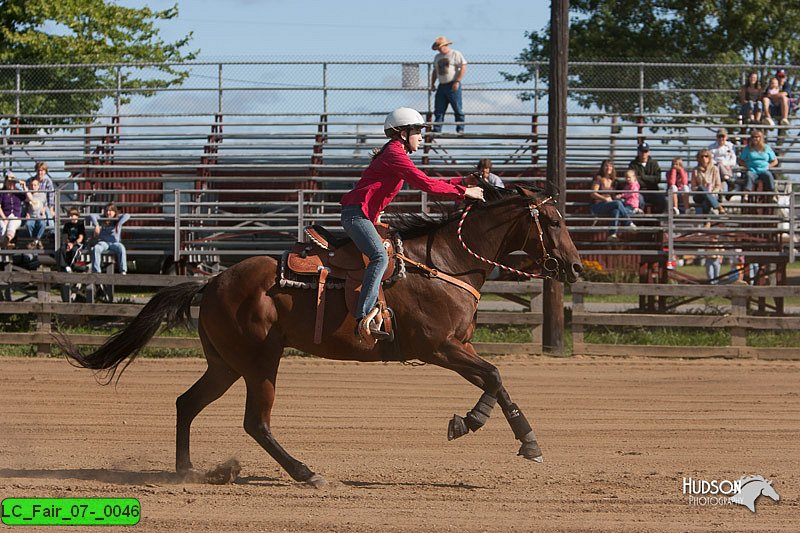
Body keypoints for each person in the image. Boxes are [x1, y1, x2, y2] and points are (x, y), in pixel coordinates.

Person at [339, 107, 484, 342]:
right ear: (403, 133)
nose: (421, 137)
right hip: (356, 216)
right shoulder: (395, 155)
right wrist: (465, 191)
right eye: (417, 131)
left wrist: (461, 182)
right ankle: (363, 317)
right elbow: (425, 184)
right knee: (380, 257)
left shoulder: (395, 154)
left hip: (362, 216)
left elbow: (427, 181)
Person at [589, 159, 635, 241]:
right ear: (602, 167)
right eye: (606, 166)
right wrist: (604, 198)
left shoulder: (614, 181)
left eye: (610, 166)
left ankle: (612, 234)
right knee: (617, 204)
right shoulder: (599, 178)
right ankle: (628, 223)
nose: (608, 168)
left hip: (608, 206)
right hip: (598, 206)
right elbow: (593, 193)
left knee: (616, 210)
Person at [430, 36, 467, 134]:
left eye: (441, 47)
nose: (439, 49)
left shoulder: (455, 54)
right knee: (439, 109)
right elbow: (435, 71)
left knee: (457, 107)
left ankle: (460, 128)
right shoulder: (437, 57)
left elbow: (463, 66)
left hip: (452, 84)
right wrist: (432, 83)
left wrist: (457, 81)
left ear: (446, 45)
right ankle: (437, 129)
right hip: (442, 85)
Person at [90, 202, 130, 274]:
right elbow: (92, 215)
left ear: (115, 212)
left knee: (121, 248)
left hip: (115, 243)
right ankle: (96, 272)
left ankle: (123, 271)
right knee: (96, 248)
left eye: (110, 211)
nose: (108, 213)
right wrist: (96, 225)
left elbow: (127, 215)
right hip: (103, 242)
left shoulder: (117, 218)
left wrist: (118, 224)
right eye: (107, 210)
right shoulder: (102, 218)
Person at [628, 142, 666, 213]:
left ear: (648, 152)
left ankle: (656, 221)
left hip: (653, 190)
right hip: (639, 191)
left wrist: (643, 177)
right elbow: (634, 180)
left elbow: (657, 178)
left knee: (662, 200)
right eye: (642, 151)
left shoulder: (654, 163)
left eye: (645, 151)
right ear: (638, 152)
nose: (644, 154)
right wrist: (650, 180)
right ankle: (639, 221)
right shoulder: (633, 164)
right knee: (637, 201)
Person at [691, 149, 725, 215]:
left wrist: (712, 192)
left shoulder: (715, 169)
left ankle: (707, 222)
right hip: (699, 195)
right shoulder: (695, 170)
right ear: (698, 158)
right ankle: (718, 206)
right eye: (702, 156)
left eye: (706, 156)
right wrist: (703, 189)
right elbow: (693, 187)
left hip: (712, 194)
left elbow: (718, 185)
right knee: (701, 187)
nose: (704, 158)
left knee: (706, 202)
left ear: (709, 158)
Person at [0, 172, 27, 249]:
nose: (11, 184)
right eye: (9, 182)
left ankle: (6, 241)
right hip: (3, 216)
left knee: (12, 224)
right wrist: (4, 218)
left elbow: (29, 198)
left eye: (13, 182)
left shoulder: (18, 192)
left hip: (15, 217)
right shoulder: (2, 192)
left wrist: (24, 187)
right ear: (5, 182)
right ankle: (5, 244)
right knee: (2, 226)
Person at [56, 207, 86, 272]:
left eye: (72, 216)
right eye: (69, 216)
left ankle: (72, 265)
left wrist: (73, 244)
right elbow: (65, 236)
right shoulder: (67, 225)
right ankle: (65, 266)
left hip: (77, 243)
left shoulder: (80, 225)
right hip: (69, 243)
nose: (70, 218)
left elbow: (80, 238)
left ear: (77, 216)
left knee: (74, 250)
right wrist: (68, 243)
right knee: (63, 248)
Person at [27, 162, 55, 230]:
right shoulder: (30, 180)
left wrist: (51, 208)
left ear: (45, 171)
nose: (40, 172)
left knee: (49, 214)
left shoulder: (48, 181)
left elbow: (50, 196)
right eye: (38, 170)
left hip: (43, 205)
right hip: (31, 204)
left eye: (42, 170)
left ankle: (52, 232)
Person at [24, 176, 48, 249]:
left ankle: (34, 241)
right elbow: (25, 205)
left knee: (42, 224)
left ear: (38, 186)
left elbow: (45, 205)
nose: (33, 187)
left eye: (35, 185)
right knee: (28, 224)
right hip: (31, 217)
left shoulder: (43, 195)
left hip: (40, 217)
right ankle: (37, 240)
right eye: (31, 185)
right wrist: (26, 213)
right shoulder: (28, 195)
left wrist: (44, 209)